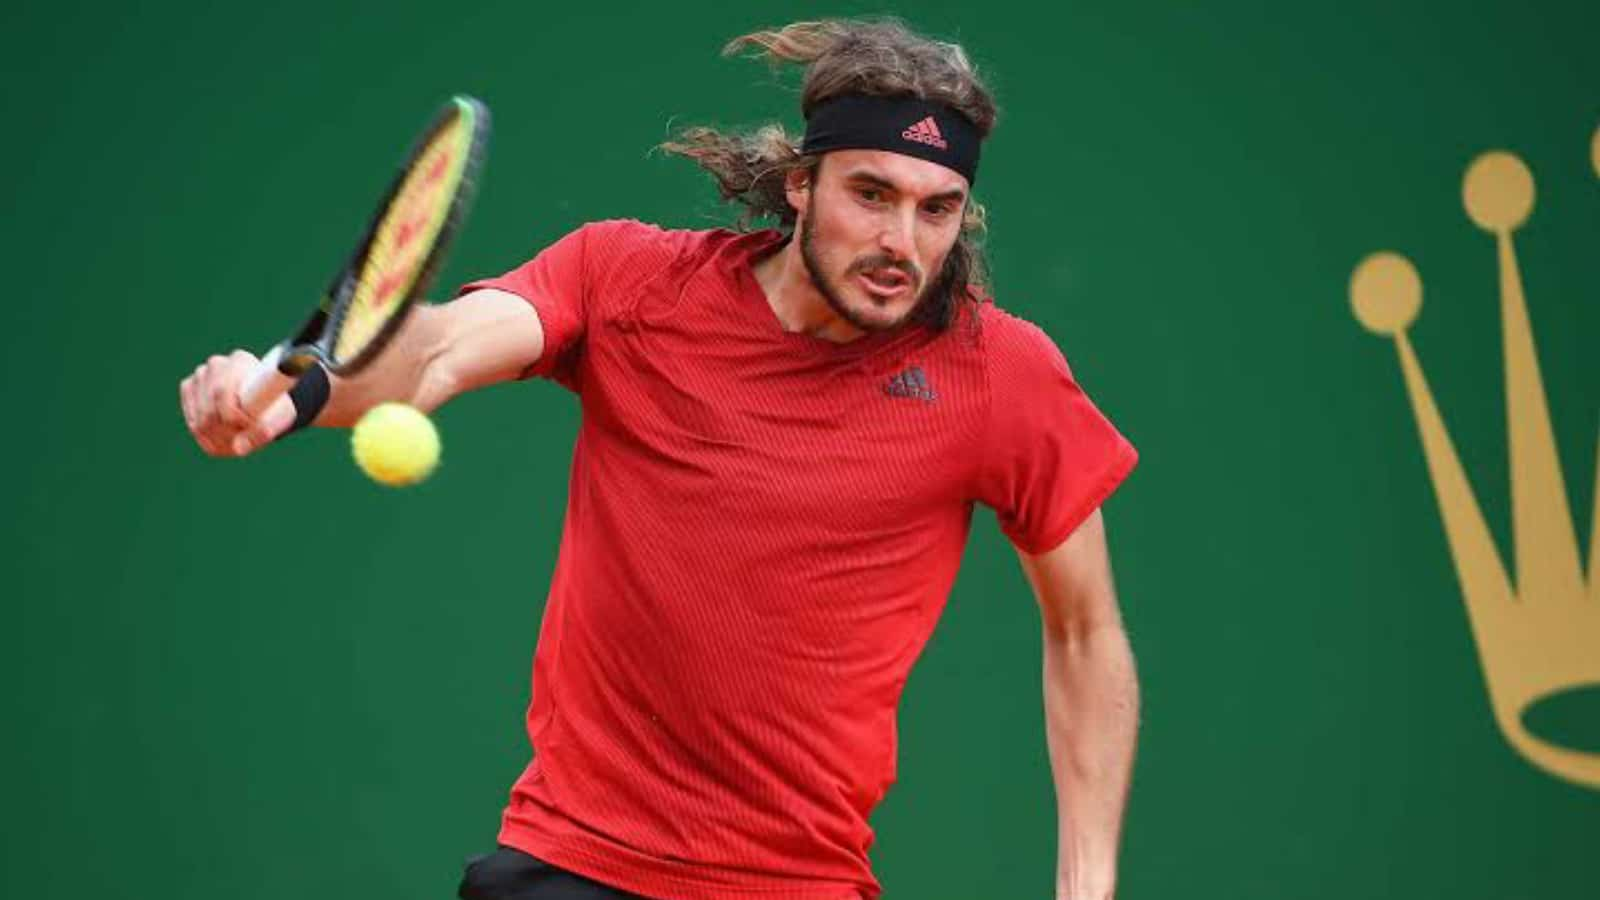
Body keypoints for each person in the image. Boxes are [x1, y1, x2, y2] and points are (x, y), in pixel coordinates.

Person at [178, 17, 1140, 900]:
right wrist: (282, 392)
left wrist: (1086, 885)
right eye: (871, 193)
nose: (900, 241)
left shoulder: (998, 373)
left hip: (797, 882)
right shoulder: (630, 280)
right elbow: (437, 346)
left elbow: (1086, 634)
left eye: (937, 210)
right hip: (571, 862)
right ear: (802, 184)